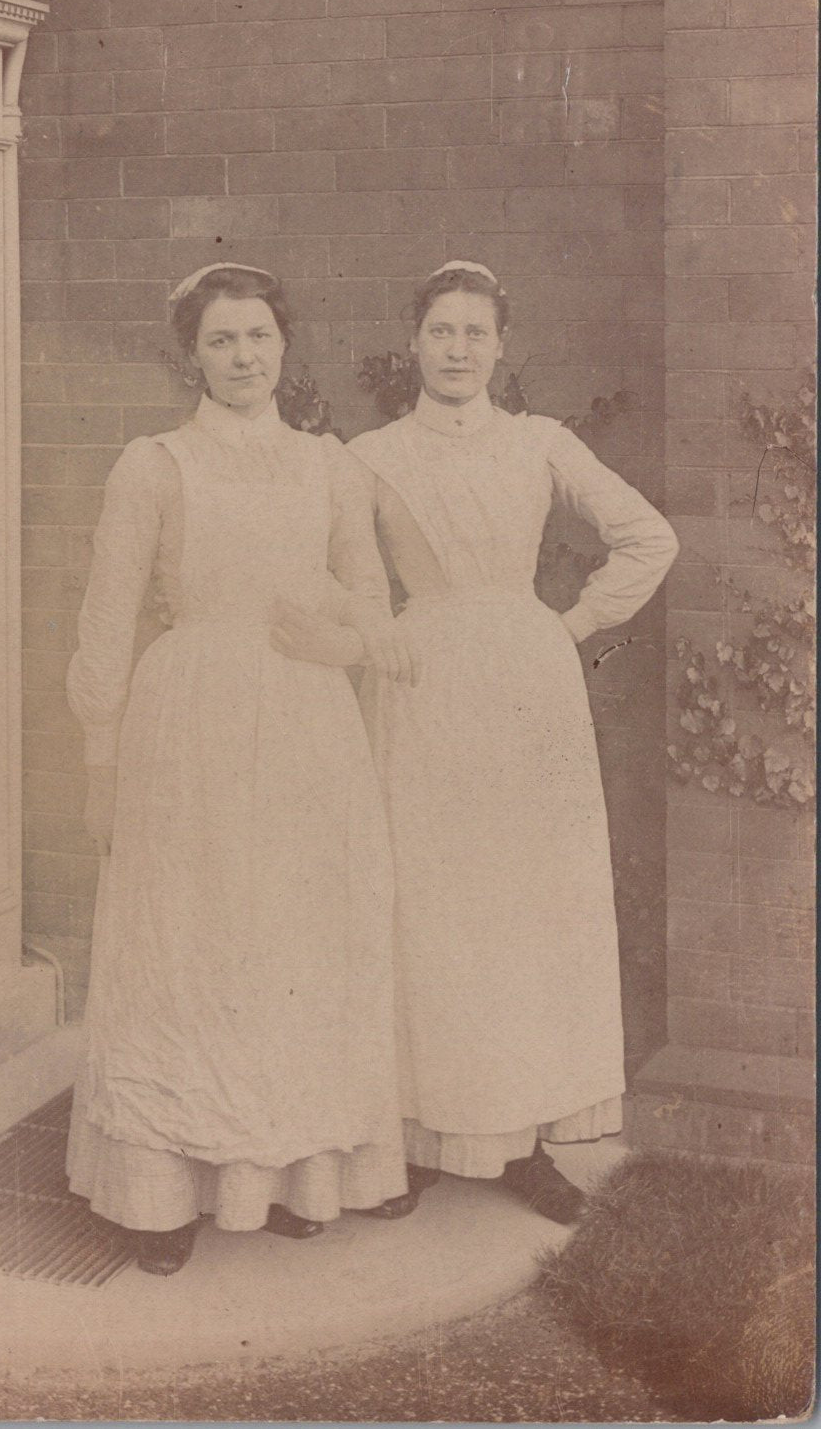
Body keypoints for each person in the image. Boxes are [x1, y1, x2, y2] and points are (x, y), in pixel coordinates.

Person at [65, 263, 417, 1276]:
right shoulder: (155, 464)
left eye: (257, 336)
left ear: (283, 345)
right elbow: (106, 614)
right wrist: (99, 757)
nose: (241, 357)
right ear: (191, 354)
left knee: (293, 940)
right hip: (188, 725)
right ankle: (163, 1192)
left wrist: (340, 645)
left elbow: (369, 597)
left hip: (305, 727)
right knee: (189, 938)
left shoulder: (328, 466)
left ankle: (296, 1171)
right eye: (220, 341)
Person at [342, 259, 677, 1223]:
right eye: (441, 330)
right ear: (414, 342)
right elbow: (343, 578)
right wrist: (380, 634)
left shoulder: (539, 444)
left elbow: (648, 537)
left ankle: (524, 1139)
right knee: (430, 898)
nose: (457, 349)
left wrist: (568, 626)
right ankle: (411, 1136)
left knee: (526, 906)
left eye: (475, 332)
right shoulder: (370, 456)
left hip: (528, 689)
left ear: (501, 345)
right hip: (423, 689)